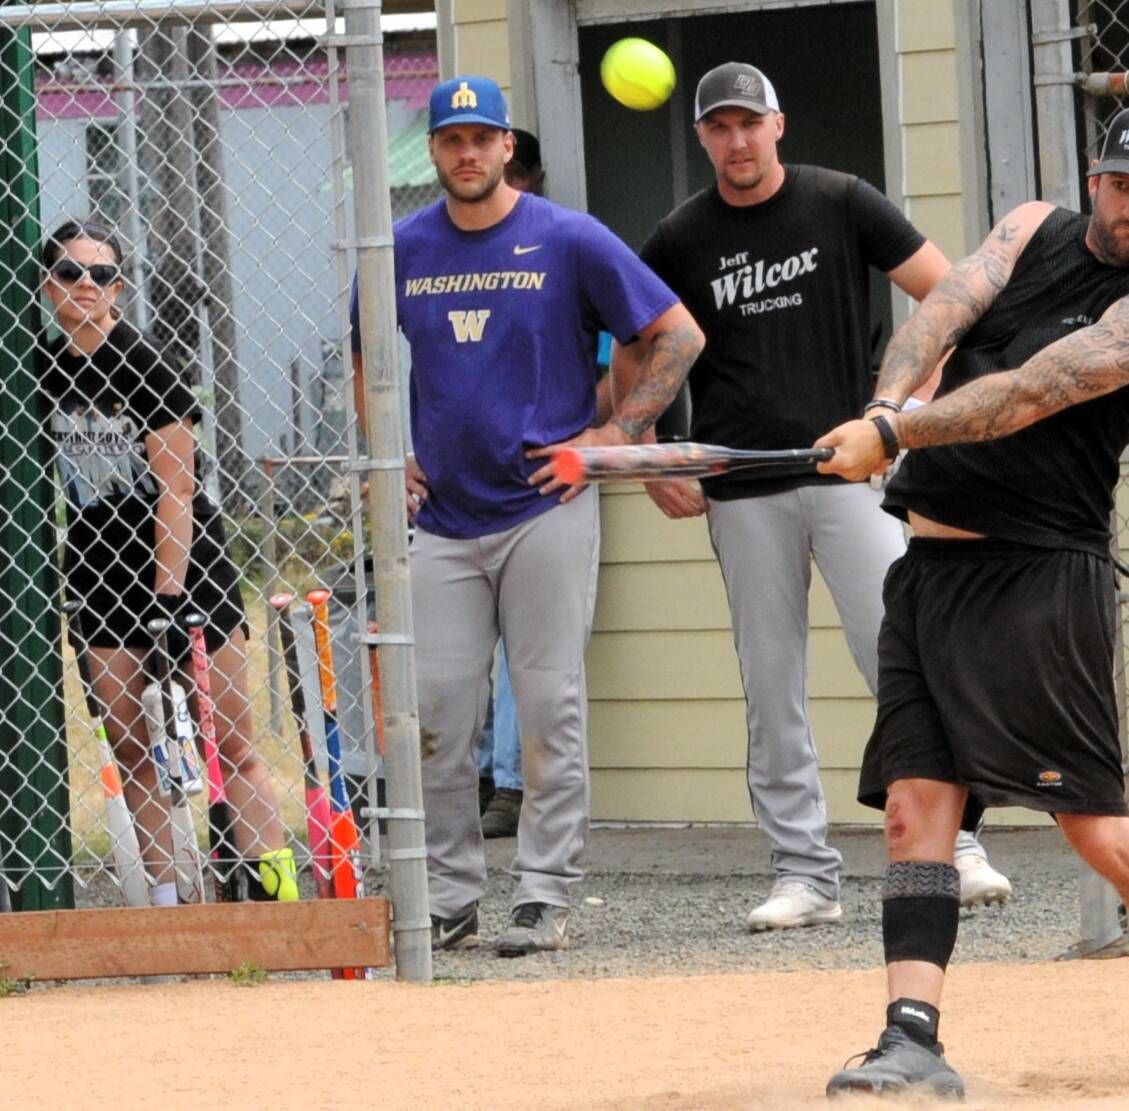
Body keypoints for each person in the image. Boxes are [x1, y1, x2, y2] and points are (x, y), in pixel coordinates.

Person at [813, 105, 1129, 1095]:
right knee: (916, 809)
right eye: (1119, 184)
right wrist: (880, 407)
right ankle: (913, 1036)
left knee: (1096, 831)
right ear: (1096, 175)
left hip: (1040, 578)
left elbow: (1028, 393)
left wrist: (897, 438)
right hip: (931, 572)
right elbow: (940, 315)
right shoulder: (1028, 226)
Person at [621, 62, 1010, 933]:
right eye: (719, 128)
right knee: (771, 684)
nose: (737, 141)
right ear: (702, 139)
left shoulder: (842, 200)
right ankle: (804, 873)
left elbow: (949, 301)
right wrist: (647, 454)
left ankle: (959, 845)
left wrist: (900, 416)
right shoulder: (680, 237)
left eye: (749, 123)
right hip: (743, 487)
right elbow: (634, 342)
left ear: (778, 125)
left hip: (849, 476)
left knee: (904, 661)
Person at [363, 77, 702, 955]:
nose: (467, 154)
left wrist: (615, 435)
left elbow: (678, 333)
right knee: (436, 711)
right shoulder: (400, 247)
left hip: (544, 506)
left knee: (549, 705)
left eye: (483, 138)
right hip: (442, 516)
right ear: (433, 153)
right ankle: (449, 894)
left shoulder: (565, 235)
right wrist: (386, 452)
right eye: (451, 141)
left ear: (508, 146)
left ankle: (544, 894)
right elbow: (366, 353)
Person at [36, 220, 299, 908]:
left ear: (119, 287)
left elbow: (177, 487)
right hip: (97, 564)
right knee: (132, 741)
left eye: (103, 274)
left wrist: (168, 595)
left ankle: (278, 897)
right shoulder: (37, 365)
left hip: (183, 562)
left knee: (230, 740)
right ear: (46, 283)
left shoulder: (143, 363)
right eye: (70, 271)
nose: (86, 284)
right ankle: (166, 902)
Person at [471, 131, 546, 839]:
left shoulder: (562, 249)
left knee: (530, 650)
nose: (505, 184)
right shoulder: (457, 254)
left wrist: (604, 437)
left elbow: (619, 354)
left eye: (517, 173)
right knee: (473, 643)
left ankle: (514, 787)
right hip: (467, 485)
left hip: (546, 484)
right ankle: (484, 774)